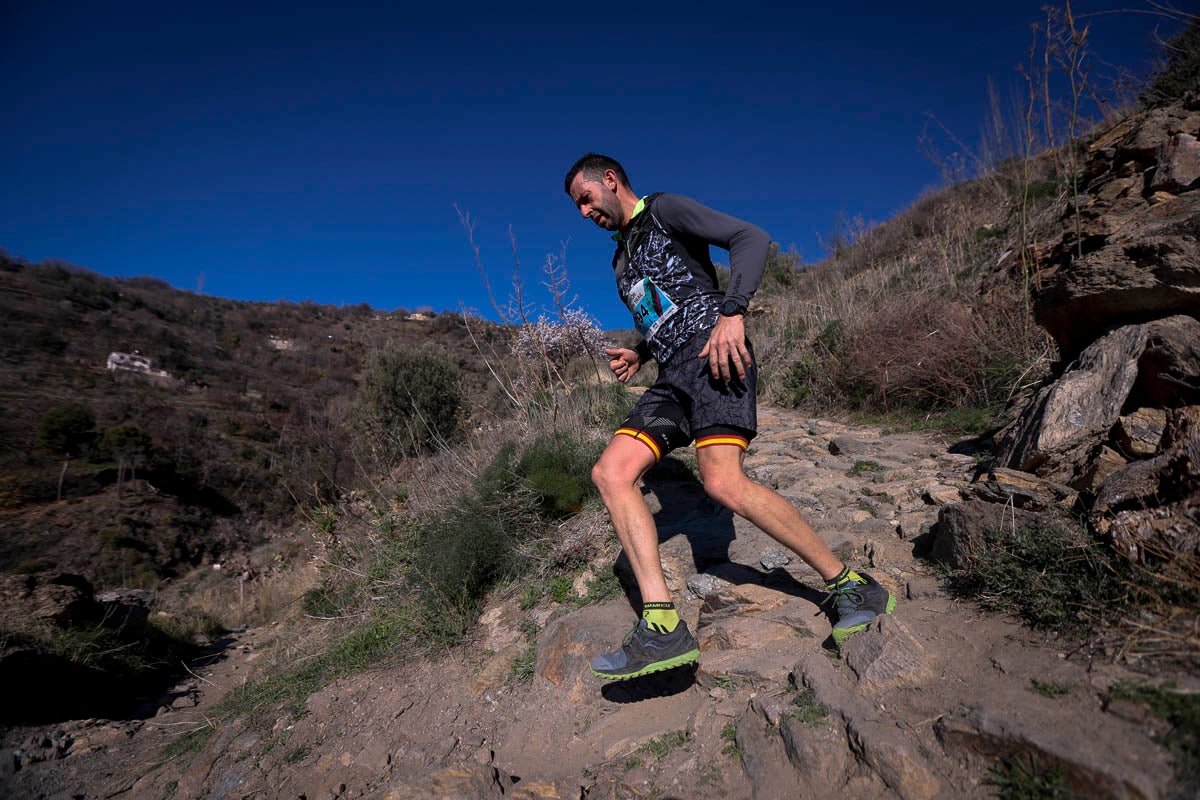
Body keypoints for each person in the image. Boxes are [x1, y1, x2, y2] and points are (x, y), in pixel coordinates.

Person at [563, 153, 895, 681]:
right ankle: (662, 626)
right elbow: (667, 309)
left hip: (717, 354)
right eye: (576, 207)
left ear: (610, 180)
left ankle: (851, 583)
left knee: (722, 483)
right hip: (672, 374)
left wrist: (733, 313)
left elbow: (751, 238)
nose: (583, 212)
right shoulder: (619, 259)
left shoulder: (665, 209)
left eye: (584, 198)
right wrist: (640, 353)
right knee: (611, 472)